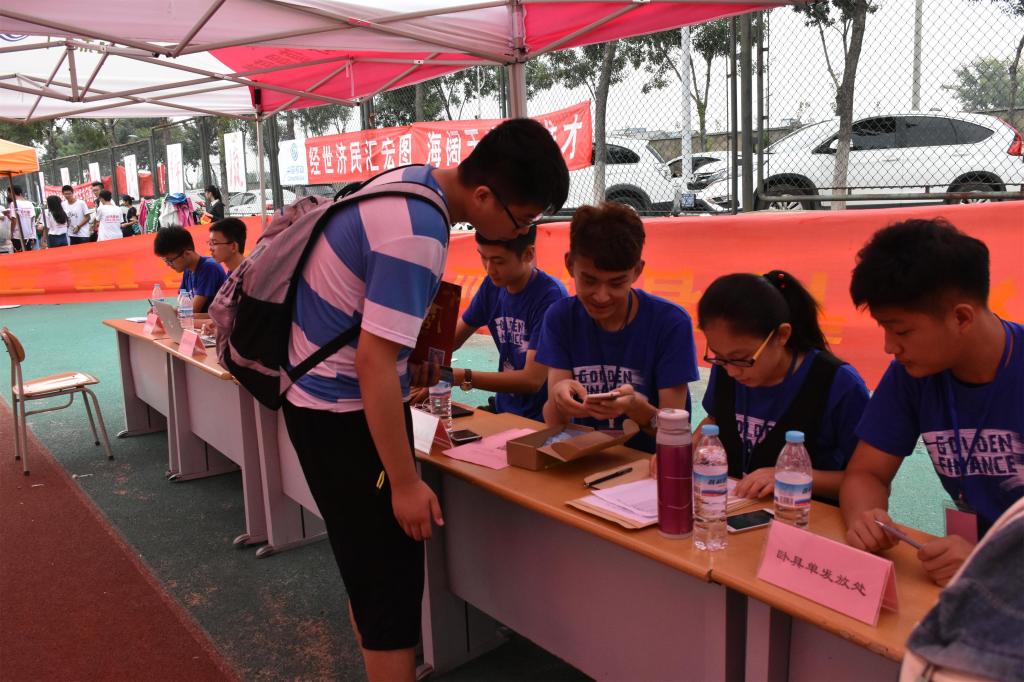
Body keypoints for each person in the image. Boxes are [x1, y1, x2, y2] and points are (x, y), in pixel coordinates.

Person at [282, 119, 568, 682]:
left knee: (369, 577)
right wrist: (405, 483)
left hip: (315, 400)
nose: (521, 232)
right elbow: (373, 363)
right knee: (390, 593)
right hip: (341, 414)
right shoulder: (419, 232)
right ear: (483, 196)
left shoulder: (410, 182)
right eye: (522, 219)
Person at [840, 218, 1023, 586]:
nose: (890, 347)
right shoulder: (913, 373)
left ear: (961, 317)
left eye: (902, 330)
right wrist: (865, 516)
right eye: (884, 328)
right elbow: (866, 473)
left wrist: (993, 562)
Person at [536, 202, 699, 454]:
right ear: (569, 265)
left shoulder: (670, 323)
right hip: (581, 458)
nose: (601, 296)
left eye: (616, 283)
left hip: (645, 464)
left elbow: (676, 431)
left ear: (637, 271)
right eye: (589, 280)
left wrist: (636, 407)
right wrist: (558, 396)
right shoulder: (560, 317)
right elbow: (555, 423)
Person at [696, 271, 870, 502]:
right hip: (734, 507)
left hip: (804, 515)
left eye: (742, 359)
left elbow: (869, 481)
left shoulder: (837, 383)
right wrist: (685, 449)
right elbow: (716, 418)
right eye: (719, 357)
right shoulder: (727, 366)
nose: (732, 372)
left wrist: (791, 476)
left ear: (781, 335)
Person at [448, 224, 567, 420]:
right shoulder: (492, 286)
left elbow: (532, 380)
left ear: (528, 254)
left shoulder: (551, 298)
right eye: (483, 257)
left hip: (543, 419)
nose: (489, 269)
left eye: (498, 261)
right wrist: (426, 369)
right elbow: (451, 340)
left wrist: (461, 376)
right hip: (504, 408)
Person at [153, 226, 227, 314]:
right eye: (165, 261)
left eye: (170, 260)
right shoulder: (188, 270)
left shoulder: (209, 268)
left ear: (186, 253)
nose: (168, 265)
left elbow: (191, 311)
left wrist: (167, 312)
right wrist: (162, 311)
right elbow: (183, 306)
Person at [4, 185, 38, 252]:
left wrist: (11, 233)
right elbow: (32, 221)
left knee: (19, 255)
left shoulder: (13, 204)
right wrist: (33, 235)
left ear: (12, 193)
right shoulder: (30, 204)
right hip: (28, 236)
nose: (9, 196)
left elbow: (14, 220)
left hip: (17, 236)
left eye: (8, 193)